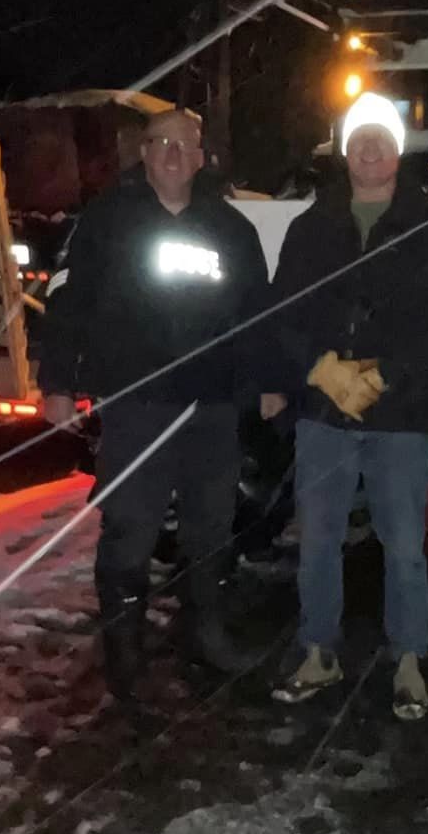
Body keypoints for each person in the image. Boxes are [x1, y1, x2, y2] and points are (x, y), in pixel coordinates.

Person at [39, 107, 271, 713]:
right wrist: (57, 381)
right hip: (137, 406)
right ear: (143, 154)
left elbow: (256, 315)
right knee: (130, 532)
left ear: (201, 159)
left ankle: (206, 632)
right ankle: (126, 655)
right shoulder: (107, 223)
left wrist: (269, 379)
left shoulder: (231, 230)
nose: (172, 154)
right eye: (160, 143)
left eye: (184, 145)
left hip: (212, 408)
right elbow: (68, 305)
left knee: (211, 529)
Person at [266, 93, 428, 720]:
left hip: (400, 417)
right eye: (359, 138)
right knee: (318, 540)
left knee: (403, 542)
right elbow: (284, 313)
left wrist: (385, 376)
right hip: (324, 413)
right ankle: (318, 651)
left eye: (381, 137)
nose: (370, 148)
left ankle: (409, 659)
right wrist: (322, 369)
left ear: (398, 150)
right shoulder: (310, 226)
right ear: (345, 149)